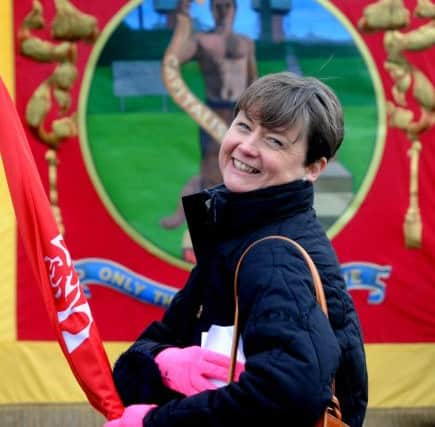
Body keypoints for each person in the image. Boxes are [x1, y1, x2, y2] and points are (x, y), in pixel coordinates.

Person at [104, 72, 368, 427]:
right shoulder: (234, 236)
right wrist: (165, 363)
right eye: (244, 126)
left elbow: (289, 394)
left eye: (274, 141)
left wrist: (155, 422)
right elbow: (136, 361)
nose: (247, 145)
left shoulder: (273, 254)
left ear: (313, 168)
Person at [160, 0, 258, 231]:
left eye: (228, 6)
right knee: (211, 169)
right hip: (213, 112)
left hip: (243, 113)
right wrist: (183, 23)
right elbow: (172, 63)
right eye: (218, 6)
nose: (223, 11)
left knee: (249, 166)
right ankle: (201, 229)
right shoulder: (201, 41)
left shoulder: (246, 42)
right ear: (211, 9)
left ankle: (245, 225)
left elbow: (254, 80)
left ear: (235, 9)